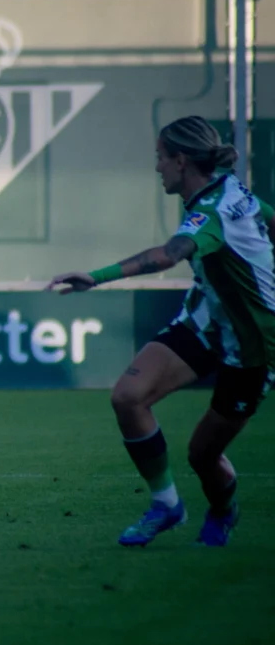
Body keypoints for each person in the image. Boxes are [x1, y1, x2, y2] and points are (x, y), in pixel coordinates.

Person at [47, 116, 275, 547]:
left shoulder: (212, 212)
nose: (157, 168)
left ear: (181, 161)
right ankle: (167, 505)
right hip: (207, 321)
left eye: (160, 158)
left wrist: (95, 277)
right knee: (128, 397)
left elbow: (168, 256)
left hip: (254, 345)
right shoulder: (227, 189)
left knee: (202, 454)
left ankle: (224, 509)